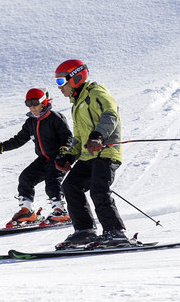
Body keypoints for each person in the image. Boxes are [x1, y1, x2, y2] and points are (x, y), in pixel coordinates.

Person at [53, 59, 129, 249]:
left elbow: (111, 115)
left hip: (106, 151)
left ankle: (115, 232)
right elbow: (79, 137)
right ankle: (85, 231)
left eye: (62, 82)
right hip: (89, 155)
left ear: (76, 77)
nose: (60, 88)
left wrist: (98, 136)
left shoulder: (96, 93)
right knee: (70, 185)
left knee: (98, 189)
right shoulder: (76, 104)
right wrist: (70, 156)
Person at [0, 88, 73, 228]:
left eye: (35, 103)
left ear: (44, 102)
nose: (32, 107)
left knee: (52, 182)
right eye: (28, 103)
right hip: (43, 159)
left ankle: (60, 211)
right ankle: (27, 211)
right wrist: (0, 147)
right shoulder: (30, 122)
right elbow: (18, 140)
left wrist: (64, 151)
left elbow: (67, 136)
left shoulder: (55, 117)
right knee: (26, 178)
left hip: (58, 158)